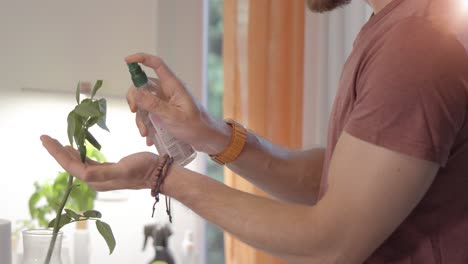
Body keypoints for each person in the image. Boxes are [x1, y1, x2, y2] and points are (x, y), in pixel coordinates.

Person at [41, 0, 468, 263]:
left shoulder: (415, 43)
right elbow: (340, 177)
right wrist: (214, 137)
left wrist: (162, 177)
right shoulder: (396, 28)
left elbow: (330, 245)